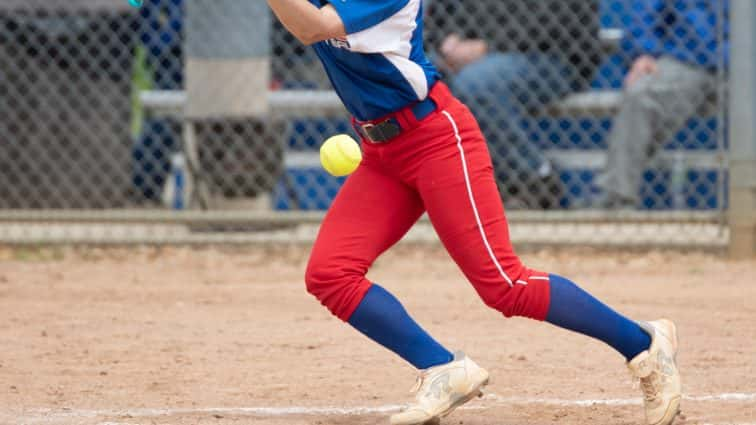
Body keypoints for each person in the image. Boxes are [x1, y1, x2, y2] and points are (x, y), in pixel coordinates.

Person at [266, 1, 681, 424]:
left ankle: (643, 344)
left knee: (506, 285)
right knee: (329, 273)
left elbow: (312, 27)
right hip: (380, 153)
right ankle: (443, 368)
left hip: (437, 141)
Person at [424, 0, 602, 209]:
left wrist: (487, 46)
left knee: (478, 83)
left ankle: (535, 178)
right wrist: (448, 39)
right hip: (478, 56)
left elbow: (555, 23)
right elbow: (442, 12)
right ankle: (443, 187)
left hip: (549, 57)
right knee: (416, 74)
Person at [597, 0, 728, 208]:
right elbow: (645, 15)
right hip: (689, 61)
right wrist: (642, 53)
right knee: (640, 95)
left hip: (746, 63)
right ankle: (616, 200)